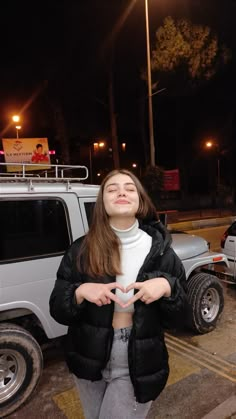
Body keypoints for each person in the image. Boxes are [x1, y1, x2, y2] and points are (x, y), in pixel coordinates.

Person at [49, 169, 187, 419]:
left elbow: (181, 313)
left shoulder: (161, 251)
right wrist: (80, 292)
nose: (121, 191)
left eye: (130, 188)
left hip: (137, 354)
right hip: (87, 352)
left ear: (141, 201)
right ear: (102, 202)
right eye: (112, 189)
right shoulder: (81, 249)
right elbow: (58, 308)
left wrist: (167, 287)